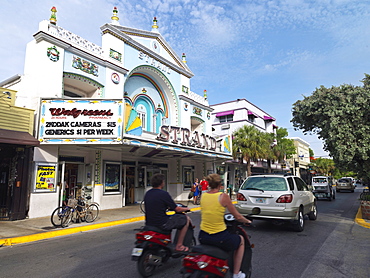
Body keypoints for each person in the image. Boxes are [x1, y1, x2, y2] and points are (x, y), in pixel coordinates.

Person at [199, 173, 252, 278]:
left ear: (209, 184)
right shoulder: (223, 197)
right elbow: (237, 216)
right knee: (241, 240)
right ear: (220, 185)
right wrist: (247, 221)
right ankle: (236, 273)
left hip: (203, 236)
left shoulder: (203, 195)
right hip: (219, 237)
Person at [144, 173, 191, 252]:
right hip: (162, 223)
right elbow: (177, 209)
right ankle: (179, 245)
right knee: (185, 219)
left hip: (149, 223)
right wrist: (186, 209)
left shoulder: (148, 193)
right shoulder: (164, 194)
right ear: (162, 182)